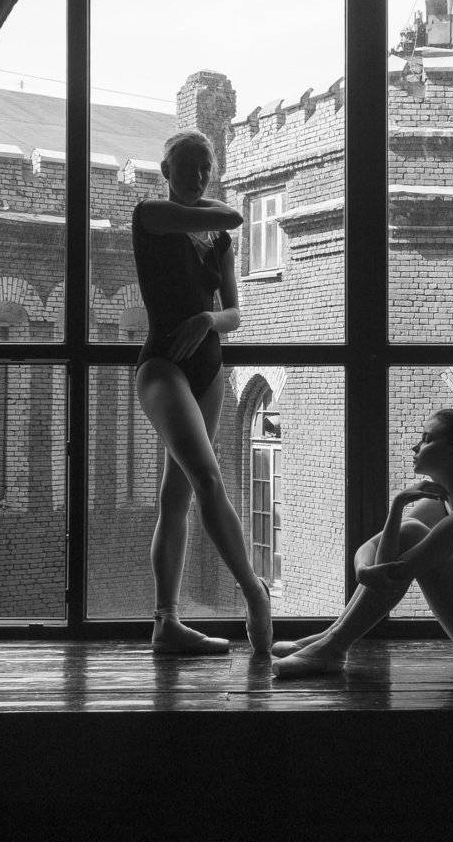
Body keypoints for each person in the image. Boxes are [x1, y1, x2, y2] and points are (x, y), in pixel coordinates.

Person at [272, 408, 453, 678]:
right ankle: (332, 637)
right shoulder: (445, 501)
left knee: (412, 532)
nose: (415, 447)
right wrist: (362, 569)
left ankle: (333, 647)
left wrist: (398, 504)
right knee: (409, 531)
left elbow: (392, 573)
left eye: (427, 439)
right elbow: (372, 549)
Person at [133, 130, 271, 655]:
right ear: (165, 170)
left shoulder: (220, 239)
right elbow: (233, 214)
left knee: (179, 494)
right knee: (208, 479)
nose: (195, 175)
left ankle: (165, 623)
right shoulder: (151, 215)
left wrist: (207, 319)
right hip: (163, 366)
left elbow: (234, 313)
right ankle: (255, 594)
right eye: (186, 164)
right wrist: (196, 322)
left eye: (204, 166)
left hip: (209, 368)